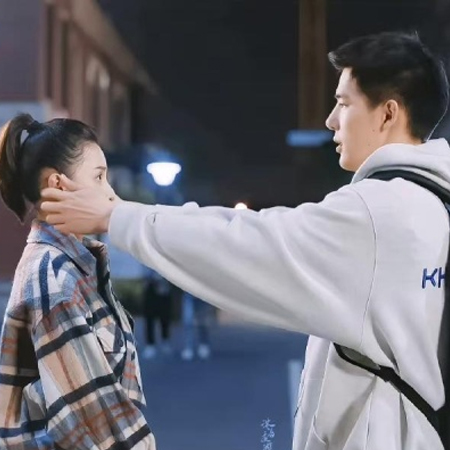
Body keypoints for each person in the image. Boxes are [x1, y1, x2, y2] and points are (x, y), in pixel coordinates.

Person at [41, 31, 450, 449]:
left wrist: (116, 216)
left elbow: (245, 242)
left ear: (387, 114)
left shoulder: (378, 213)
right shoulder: (434, 202)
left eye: (344, 104)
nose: (330, 120)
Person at [0, 114, 155, 449]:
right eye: (99, 177)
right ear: (57, 184)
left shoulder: (74, 265)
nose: (110, 194)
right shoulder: (55, 277)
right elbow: (90, 424)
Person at [142, 271, 174, 359]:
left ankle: (165, 340)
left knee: (165, 317)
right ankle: (150, 344)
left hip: (164, 288)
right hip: (150, 287)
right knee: (149, 318)